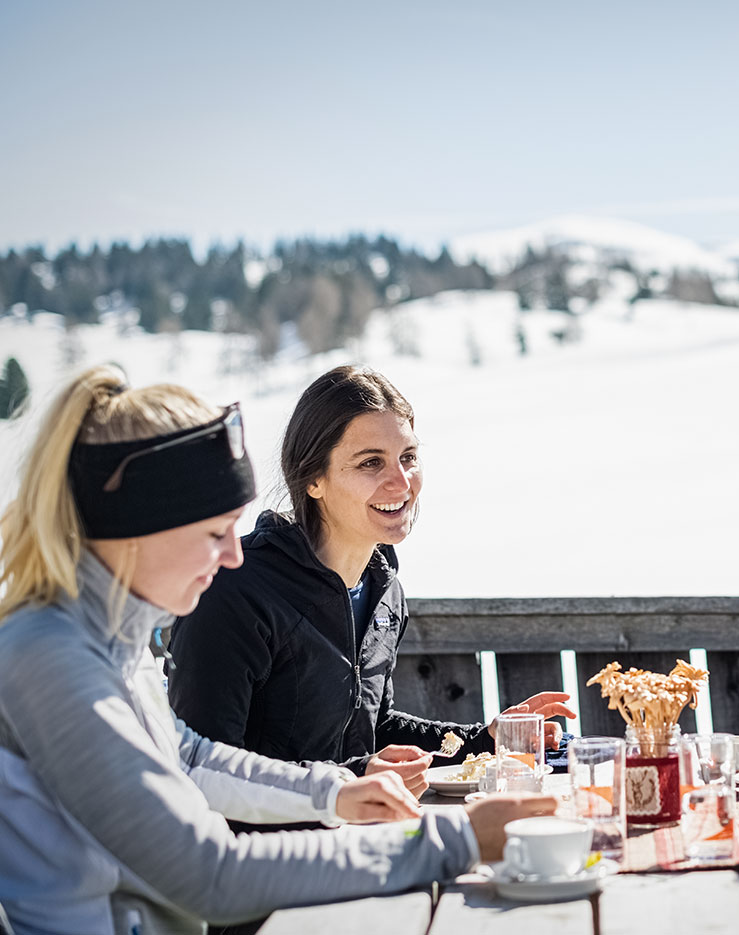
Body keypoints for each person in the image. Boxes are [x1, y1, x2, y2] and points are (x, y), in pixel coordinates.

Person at [0, 365, 553, 934]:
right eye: (213, 533)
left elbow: (190, 757)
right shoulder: (51, 661)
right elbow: (208, 875)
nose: (233, 555)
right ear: (135, 531)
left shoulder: (112, 641)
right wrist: (455, 840)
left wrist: (336, 792)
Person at [168, 365, 572, 810]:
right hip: (256, 849)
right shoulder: (234, 591)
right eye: (370, 462)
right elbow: (206, 772)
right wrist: (353, 780)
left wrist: (486, 740)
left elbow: (370, 729)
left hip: (356, 835)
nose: (401, 481)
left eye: (408, 457)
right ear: (313, 478)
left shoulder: (383, 589)